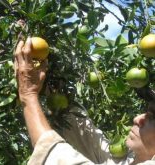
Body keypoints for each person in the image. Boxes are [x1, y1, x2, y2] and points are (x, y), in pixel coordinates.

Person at [14, 37, 155, 165]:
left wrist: (28, 94)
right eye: (146, 113)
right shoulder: (124, 160)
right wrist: (59, 91)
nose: (137, 118)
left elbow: (59, 158)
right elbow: (88, 138)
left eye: (152, 117)